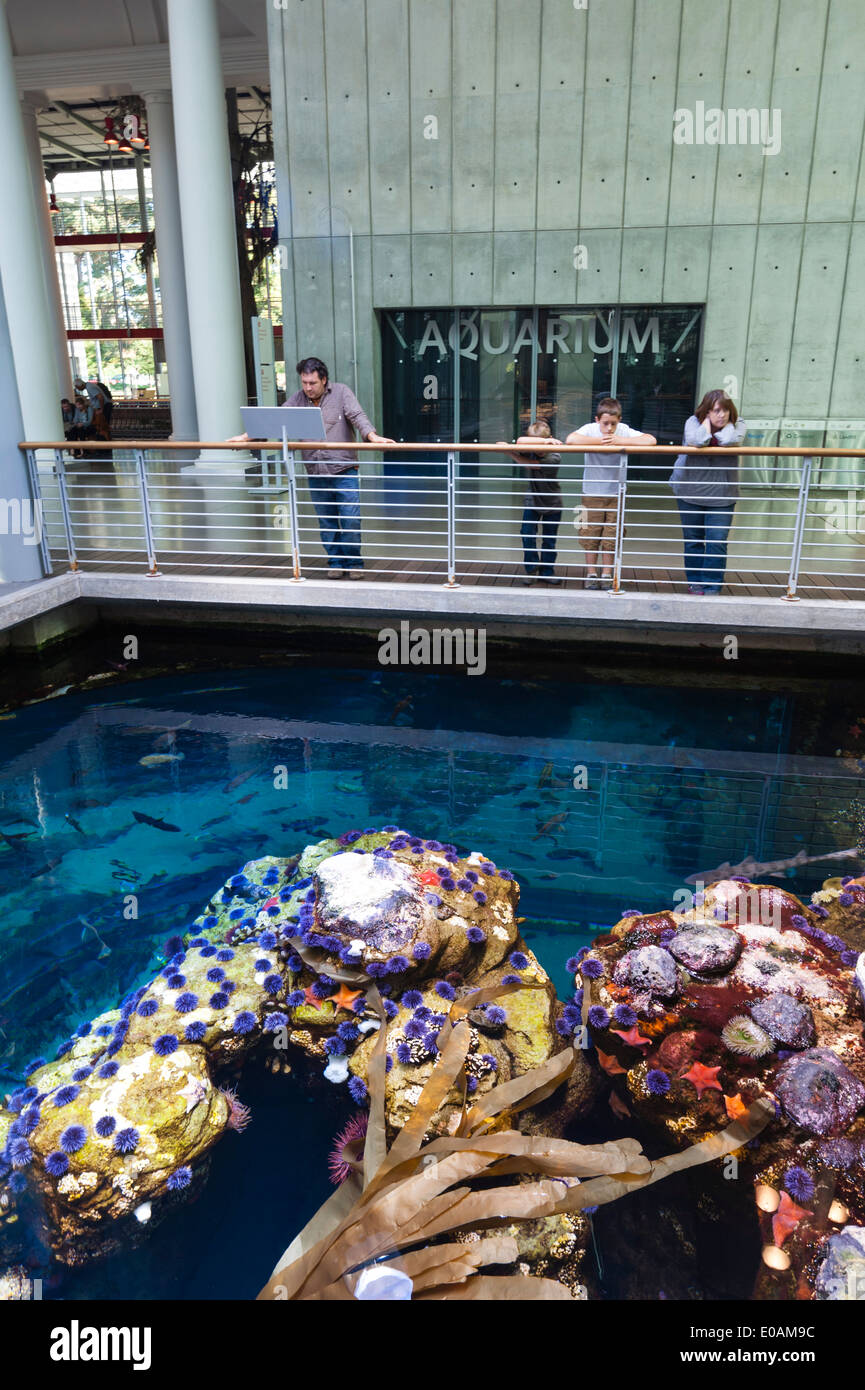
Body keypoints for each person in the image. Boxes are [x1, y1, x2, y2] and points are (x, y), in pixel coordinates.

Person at [229, 357, 393, 578]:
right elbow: (274, 420)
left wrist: (373, 437)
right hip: (315, 473)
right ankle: (336, 562)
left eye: (312, 383)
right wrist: (245, 438)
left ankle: (354, 562)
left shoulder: (342, 393)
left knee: (351, 519)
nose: (307, 388)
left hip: (344, 471)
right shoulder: (298, 399)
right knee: (326, 523)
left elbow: (358, 417)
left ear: (324, 379)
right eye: (304, 383)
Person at [567, 397, 656, 590]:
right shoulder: (590, 429)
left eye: (613, 424)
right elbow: (571, 439)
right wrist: (600, 441)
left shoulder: (623, 430)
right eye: (605, 423)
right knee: (589, 534)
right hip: (591, 493)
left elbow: (651, 440)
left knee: (611, 535)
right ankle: (591, 573)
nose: (609, 428)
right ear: (597, 420)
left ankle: (607, 574)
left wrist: (620, 441)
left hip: (616, 494)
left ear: (620, 421)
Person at [669, 389, 747, 595]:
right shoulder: (693, 422)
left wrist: (727, 425)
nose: (721, 415)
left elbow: (730, 440)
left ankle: (712, 585)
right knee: (693, 539)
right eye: (715, 411)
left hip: (722, 494)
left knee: (717, 540)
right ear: (706, 411)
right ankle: (695, 581)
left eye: (725, 411)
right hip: (689, 490)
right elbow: (696, 440)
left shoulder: (739, 424)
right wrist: (705, 424)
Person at [500, 421, 564, 586]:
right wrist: (509, 446)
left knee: (549, 540)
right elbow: (520, 443)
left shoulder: (554, 456)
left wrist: (510, 453)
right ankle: (531, 568)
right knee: (527, 533)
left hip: (552, 503)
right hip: (532, 500)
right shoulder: (530, 450)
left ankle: (547, 571)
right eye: (533, 442)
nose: (536, 449)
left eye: (540, 442)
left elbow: (530, 464)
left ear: (549, 440)